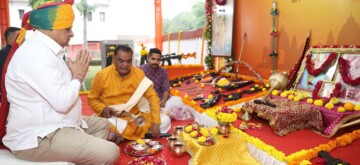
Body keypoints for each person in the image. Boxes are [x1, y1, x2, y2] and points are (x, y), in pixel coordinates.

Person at [1, 1, 120, 164]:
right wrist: (77, 76)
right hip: (40, 136)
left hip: (57, 122)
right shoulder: (36, 54)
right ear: (50, 30)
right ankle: (86, 151)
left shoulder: (47, 50)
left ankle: (82, 149)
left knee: (104, 125)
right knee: (111, 152)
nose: (71, 33)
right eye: (67, 28)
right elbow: (62, 103)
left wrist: (72, 75)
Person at [88, 45, 171, 140]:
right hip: (113, 118)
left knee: (165, 120)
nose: (125, 65)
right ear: (114, 59)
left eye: (128, 61)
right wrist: (103, 109)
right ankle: (128, 135)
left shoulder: (138, 73)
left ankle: (120, 136)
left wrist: (156, 122)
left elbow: (152, 96)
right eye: (121, 60)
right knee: (103, 127)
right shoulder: (102, 75)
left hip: (135, 117)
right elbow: (92, 99)